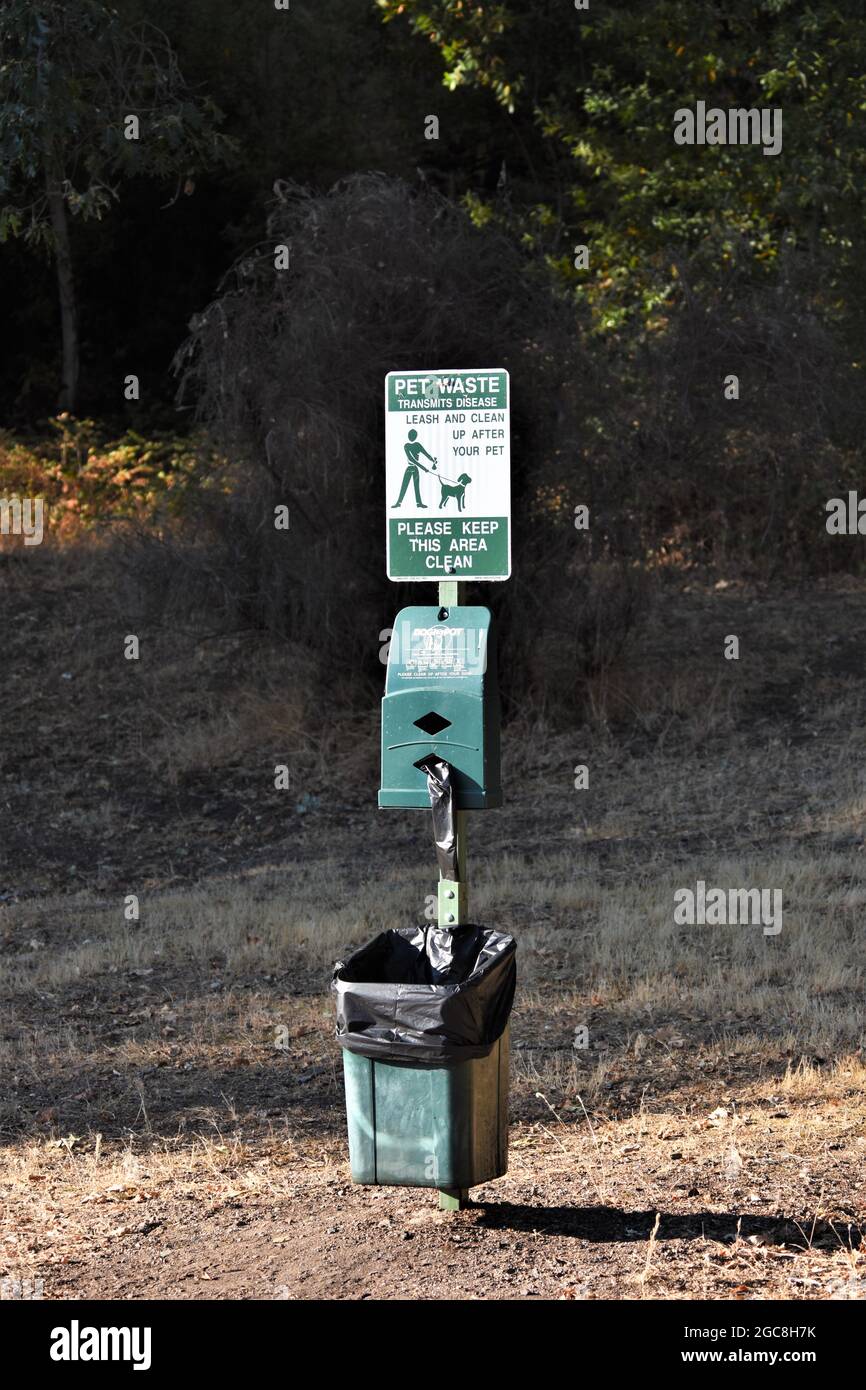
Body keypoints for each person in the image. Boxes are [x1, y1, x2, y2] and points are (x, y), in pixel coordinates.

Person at [392, 429, 437, 508]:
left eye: (412, 436)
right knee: (404, 486)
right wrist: (424, 468)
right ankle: (398, 503)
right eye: (411, 435)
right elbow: (411, 459)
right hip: (410, 468)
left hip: (415, 469)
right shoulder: (406, 445)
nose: (411, 437)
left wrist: (433, 460)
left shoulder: (417, 445)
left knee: (416, 487)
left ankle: (419, 503)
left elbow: (426, 454)